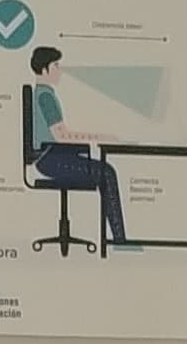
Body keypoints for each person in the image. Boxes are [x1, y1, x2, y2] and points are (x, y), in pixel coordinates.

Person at [27, 44, 125, 249]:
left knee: (105, 171)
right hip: (52, 160)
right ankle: (119, 240)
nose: (60, 70)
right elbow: (62, 136)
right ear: (44, 69)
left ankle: (118, 239)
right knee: (106, 173)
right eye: (56, 65)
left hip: (52, 157)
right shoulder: (45, 97)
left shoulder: (43, 93)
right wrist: (100, 137)